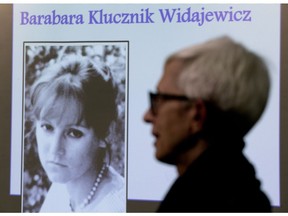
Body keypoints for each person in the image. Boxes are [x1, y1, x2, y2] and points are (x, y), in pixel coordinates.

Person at [143, 36, 271, 212]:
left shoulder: (201, 203)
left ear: (196, 114)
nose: (147, 116)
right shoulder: (244, 193)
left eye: (159, 100)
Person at [28, 53, 125, 212]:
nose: (55, 150)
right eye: (47, 127)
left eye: (74, 133)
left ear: (106, 132)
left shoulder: (117, 208)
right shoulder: (61, 188)